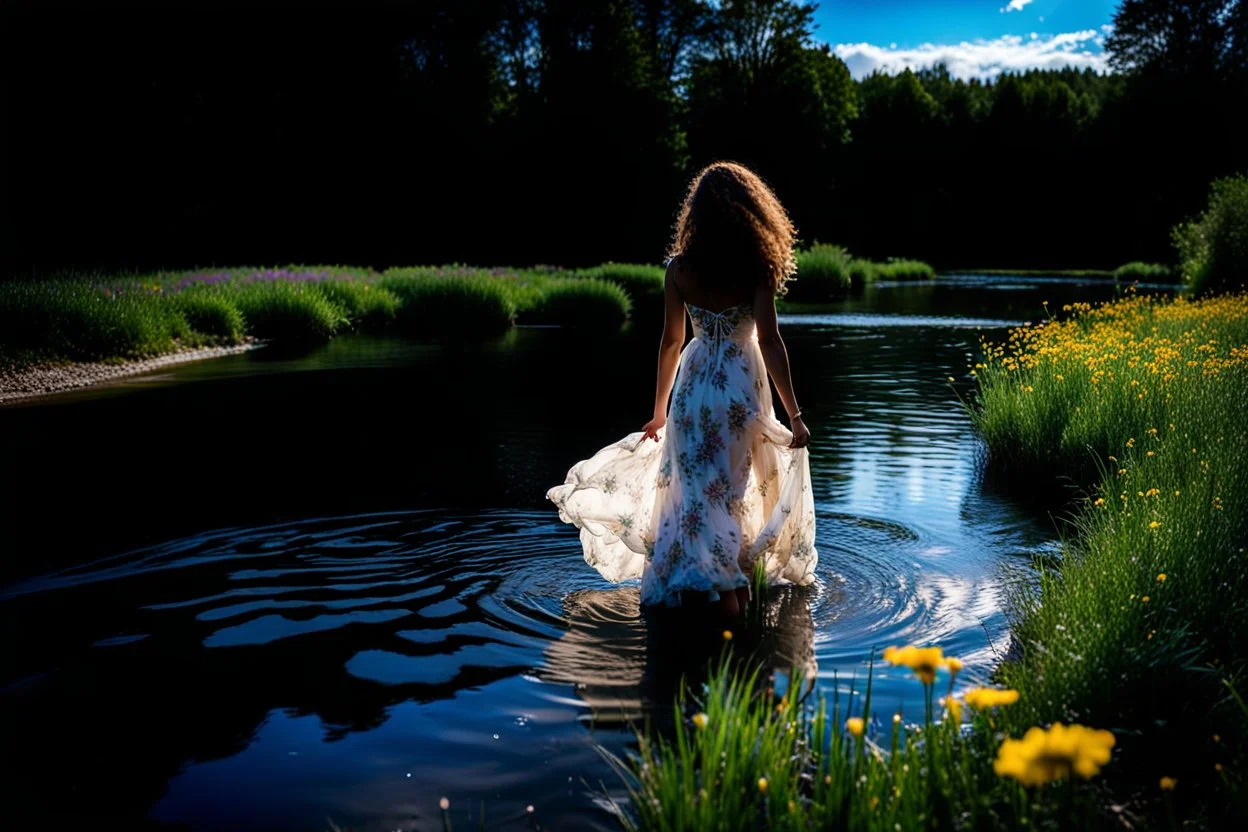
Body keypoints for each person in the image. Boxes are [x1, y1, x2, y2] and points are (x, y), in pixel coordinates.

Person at [547, 161, 817, 615]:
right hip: (737, 394)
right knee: (728, 498)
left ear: (696, 215)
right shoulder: (756, 268)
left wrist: (659, 411)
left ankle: (704, 594)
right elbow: (769, 342)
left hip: (691, 395)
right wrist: (794, 415)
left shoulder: (679, 270)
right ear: (750, 211)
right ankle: (732, 597)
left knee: (694, 498)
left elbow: (672, 342)